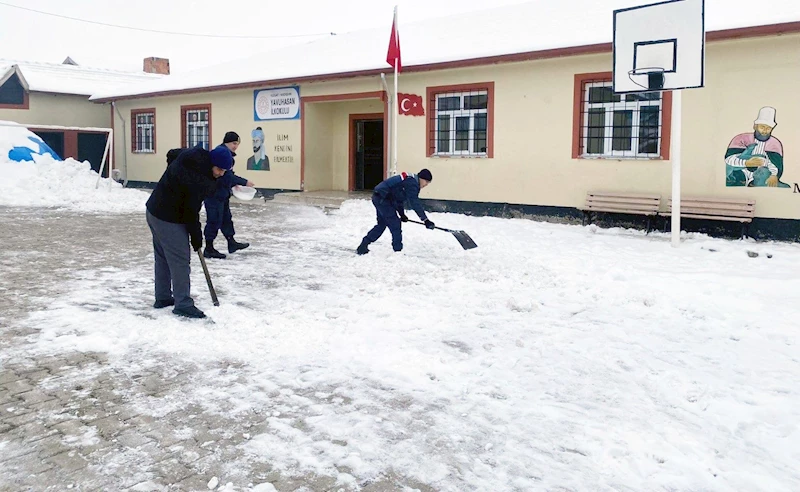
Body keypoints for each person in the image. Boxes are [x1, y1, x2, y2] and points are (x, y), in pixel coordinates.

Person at [145, 144, 233, 319]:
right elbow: (191, 213)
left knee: (163, 256)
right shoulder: (197, 179)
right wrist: (196, 238)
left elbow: (171, 153)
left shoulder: (193, 157)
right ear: (211, 164)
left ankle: (162, 297)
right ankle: (183, 303)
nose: (221, 173)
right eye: (219, 169)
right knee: (180, 260)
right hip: (168, 217)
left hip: (154, 210)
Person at [203, 131, 255, 259]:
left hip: (222, 193)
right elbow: (226, 175)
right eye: (234, 143)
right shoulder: (221, 154)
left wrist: (232, 185)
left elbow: (226, 176)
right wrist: (244, 182)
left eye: (237, 144)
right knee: (214, 220)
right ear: (227, 142)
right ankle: (209, 248)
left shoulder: (226, 154)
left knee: (226, 219)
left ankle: (231, 242)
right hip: (213, 194)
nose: (235, 146)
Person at [357, 169, 435, 255]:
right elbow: (414, 203)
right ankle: (398, 251)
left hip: (380, 197)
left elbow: (399, 199)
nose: (426, 184)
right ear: (421, 178)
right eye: (426, 181)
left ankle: (363, 245)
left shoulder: (411, 180)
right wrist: (425, 220)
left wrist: (402, 214)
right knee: (395, 224)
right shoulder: (412, 184)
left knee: (382, 224)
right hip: (383, 199)